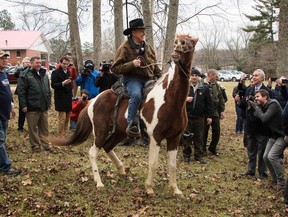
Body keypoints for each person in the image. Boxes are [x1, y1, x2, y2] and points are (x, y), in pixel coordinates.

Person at [111, 18, 162, 138]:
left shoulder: (148, 47)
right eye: (141, 31)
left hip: (149, 79)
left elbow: (154, 65)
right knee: (136, 95)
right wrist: (132, 64)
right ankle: (131, 125)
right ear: (133, 32)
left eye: (144, 30)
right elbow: (115, 68)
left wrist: (161, 78)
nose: (144, 33)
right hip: (133, 79)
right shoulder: (124, 48)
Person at [236, 69, 272, 179]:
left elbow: (269, 108)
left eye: (256, 76)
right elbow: (244, 105)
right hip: (250, 126)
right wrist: (239, 102)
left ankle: (262, 173)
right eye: (253, 76)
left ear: (262, 78)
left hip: (262, 126)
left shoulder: (267, 91)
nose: (254, 77)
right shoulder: (249, 89)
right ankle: (250, 170)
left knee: (262, 152)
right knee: (251, 150)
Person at [248, 89, 287, 193]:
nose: (256, 99)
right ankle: (275, 179)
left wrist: (256, 107)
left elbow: (264, 118)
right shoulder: (262, 107)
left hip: (283, 134)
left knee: (272, 156)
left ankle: (282, 183)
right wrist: (251, 108)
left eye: (258, 97)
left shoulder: (273, 104)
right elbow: (255, 119)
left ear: (265, 97)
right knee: (265, 157)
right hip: (273, 135)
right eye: (255, 97)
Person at [17, 56, 52, 153]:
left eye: (40, 62)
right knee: (33, 129)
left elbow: (48, 90)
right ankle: (35, 145)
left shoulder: (44, 74)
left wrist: (48, 102)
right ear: (31, 63)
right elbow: (21, 91)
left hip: (43, 106)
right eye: (36, 63)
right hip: (32, 107)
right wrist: (23, 105)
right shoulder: (25, 75)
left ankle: (46, 144)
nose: (39, 64)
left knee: (44, 128)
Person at [182, 68, 213, 164]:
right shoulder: (185, 87)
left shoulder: (204, 88)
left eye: (196, 76)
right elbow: (177, 101)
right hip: (187, 117)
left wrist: (209, 116)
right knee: (186, 137)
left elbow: (209, 103)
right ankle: (187, 155)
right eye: (193, 75)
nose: (194, 77)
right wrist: (185, 99)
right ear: (190, 76)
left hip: (200, 117)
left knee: (199, 137)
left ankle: (198, 155)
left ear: (199, 77)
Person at [0, 49, 21, 176]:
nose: (5, 60)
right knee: (0, 141)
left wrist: (11, 106)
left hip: (4, 114)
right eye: (2, 58)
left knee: (2, 140)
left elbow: (7, 92)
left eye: (6, 58)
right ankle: (6, 167)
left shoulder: (3, 74)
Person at [202, 69, 225, 156]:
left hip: (214, 111)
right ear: (211, 75)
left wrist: (222, 110)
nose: (217, 77)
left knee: (217, 131)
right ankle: (203, 148)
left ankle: (212, 148)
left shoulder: (217, 85)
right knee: (204, 131)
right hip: (204, 112)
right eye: (216, 76)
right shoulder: (201, 84)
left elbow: (221, 97)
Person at [51, 56, 73, 137]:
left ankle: (65, 132)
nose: (65, 65)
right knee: (62, 118)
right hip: (60, 98)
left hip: (68, 98)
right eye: (64, 64)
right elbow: (53, 85)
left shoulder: (68, 72)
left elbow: (70, 85)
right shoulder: (55, 73)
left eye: (67, 64)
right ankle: (61, 134)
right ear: (60, 63)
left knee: (68, 117)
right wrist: (63, 83)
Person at [14, 57, 31, 132]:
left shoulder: (31, 71)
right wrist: (24, 69)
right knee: (22, 110)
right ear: (23, 63)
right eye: (26, 62)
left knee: (30, 111)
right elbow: (16, 74)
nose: (28, 63)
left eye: (29, 62)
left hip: (30, 93)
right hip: (22, 93)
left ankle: (31, 126)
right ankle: (20, 127)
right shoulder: (20, 70)